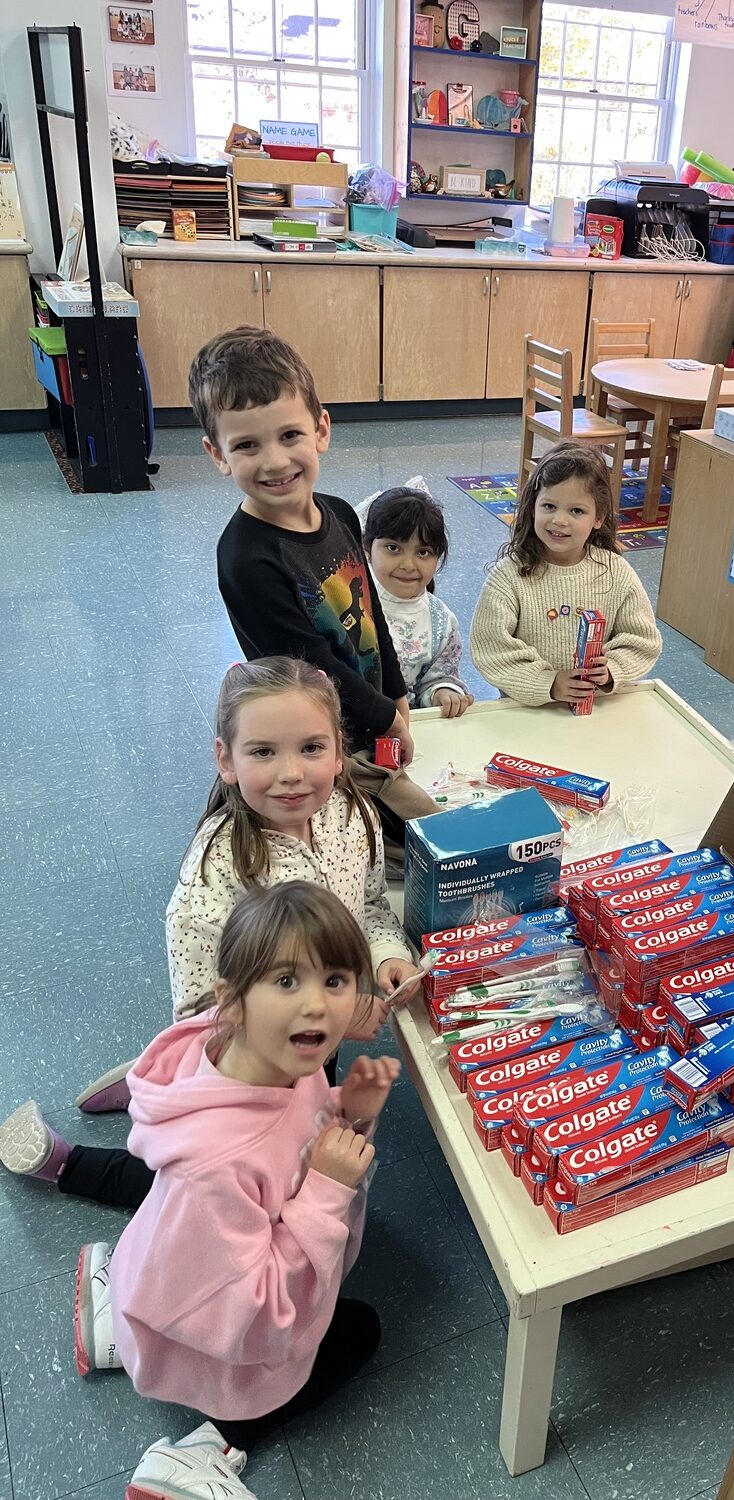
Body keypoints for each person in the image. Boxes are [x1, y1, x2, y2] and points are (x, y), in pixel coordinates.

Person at [0, 658, 417, 1206]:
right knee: (216, 1182)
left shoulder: (351, 815)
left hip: (310, 1045)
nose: (291, 773)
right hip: (244, 1060)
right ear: (226, 759)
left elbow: (367, 905)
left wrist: (384, 953)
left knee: (300, 1145)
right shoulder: (217, 876)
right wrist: (334, 1019)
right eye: (264, 751)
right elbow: (205, 1015)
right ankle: (65, 1163)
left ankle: (153, 1077)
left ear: (340, 752)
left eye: (311, 748)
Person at [77, 882, 398, 1500]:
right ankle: (207, 1446)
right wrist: (329, 1189)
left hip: (169, 1275)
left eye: (335, 980)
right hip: (218, 1317)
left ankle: (118, 1311)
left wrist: (342, 1111)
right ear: (232, 1000)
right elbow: (255, 1314)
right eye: (286, 981)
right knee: (359, 1333)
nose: (318, 1006)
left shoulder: (259, 1057)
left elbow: (290, 1132)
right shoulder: (215, 1168)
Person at [188, 325, 438, 842]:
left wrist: (395, 698)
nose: (275, 461)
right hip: (309, 740)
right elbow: (312, 666)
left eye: (290, 435)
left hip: (366, 721)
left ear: (321, 428)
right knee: (426, 843)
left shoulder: (342, 515)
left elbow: (371, 616)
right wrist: (384, 722)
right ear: (218, 454)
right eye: (248, 445)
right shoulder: (246, 558)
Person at [469, 442, 662, 706]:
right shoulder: (509, 577)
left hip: (595, 711)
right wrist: (548, 682)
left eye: (576, 511)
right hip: (524, 712)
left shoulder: (616, 572)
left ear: (598, 517)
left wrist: (610, 671)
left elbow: (642, 640)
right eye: (549, 506)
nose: (560, 520)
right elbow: (492, 649)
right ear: (533, 506)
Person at [360, 482, 473, 718]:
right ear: (368, 548)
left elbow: (438, 677)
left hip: (410, 732)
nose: (408, 565)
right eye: (393, 548)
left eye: (423, 552)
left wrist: (443, 691)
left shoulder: (441, 620)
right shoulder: (350, 601)